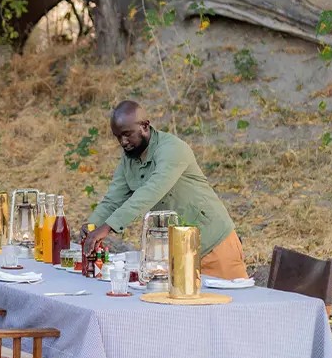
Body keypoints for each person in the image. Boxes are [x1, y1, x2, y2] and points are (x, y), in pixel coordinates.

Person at [81, 100, 247, 279]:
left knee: (233, 305)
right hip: (176, 254)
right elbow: (112, 199)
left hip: (213, 246)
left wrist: (108, 227)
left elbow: (151, 191)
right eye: (118, 137)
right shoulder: (129, 159)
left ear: (145, 126)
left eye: (127, 134)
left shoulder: (172, 149)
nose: (123, 142)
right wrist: (92, 226)